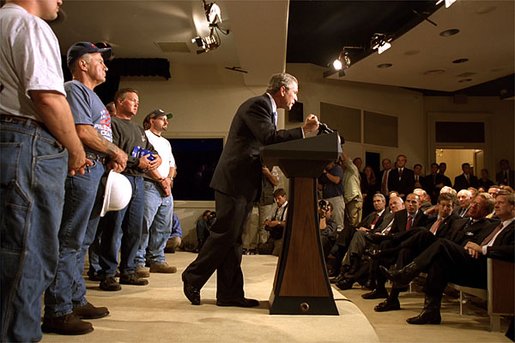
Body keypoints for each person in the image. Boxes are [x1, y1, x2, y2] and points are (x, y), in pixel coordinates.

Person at [182, 73, 319, 307]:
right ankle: (192, 276)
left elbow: (262, 145)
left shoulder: (268, 108)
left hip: (242, 183)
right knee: (224, 235)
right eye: (295, 92)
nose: (296, 98)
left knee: (234, 240)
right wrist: (303, 132)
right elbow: (268, 137)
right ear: (283, 90)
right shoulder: (258, 104)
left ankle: (229, 294)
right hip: (233, 181)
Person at [0, 1, 88, 341]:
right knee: (27, 258)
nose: (61, 0)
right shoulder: (30, 25)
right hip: (27, 143)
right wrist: (75, 150)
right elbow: (48, 97)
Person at [42, 41, 129, 335]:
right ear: (82, 63)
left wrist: (108, 157)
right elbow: (82, 131)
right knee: (69, 239)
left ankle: (76, 298)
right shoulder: (74, 89)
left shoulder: (93, 97)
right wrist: (115, 151)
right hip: (80, 171)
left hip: (94, 172)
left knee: (83, 239)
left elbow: (94, 134)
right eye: (99, 61)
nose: (105, 66)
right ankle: (58, 310)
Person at [383, 191, 513, 325]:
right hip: (469, 261)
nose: (497, 206)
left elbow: (510, 250)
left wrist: (483, 249)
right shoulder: (495, 226)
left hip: (489, 271)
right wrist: (473, 246)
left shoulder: (504, 226)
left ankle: (405, 272)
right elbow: (473, 242)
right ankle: (431, 311)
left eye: (501, 203)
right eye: (496, 203)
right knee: (438, 261)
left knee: (441, 243)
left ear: (513, 207)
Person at [97, 88, 161, 291]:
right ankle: (107, 273)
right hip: (119, 179)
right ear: (120, 101)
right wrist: (136, 161)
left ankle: (129, 270)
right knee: (113, 227)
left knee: (135, 228)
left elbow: (151, 151)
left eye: (138, 100)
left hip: (139, 182)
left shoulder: (139, 129)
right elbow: (110, 150)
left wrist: (156, 158)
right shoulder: (112, 124)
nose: (136, 103)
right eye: (132, 100)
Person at [135, 109, 177, 274]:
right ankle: (138, 260)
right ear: (151, 120)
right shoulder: (143, 136)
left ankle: (157, 259)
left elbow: (172, 164)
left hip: (165, 187)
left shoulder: (166, 142)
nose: (166, 122)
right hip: (150, 185)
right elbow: (147, 163)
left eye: (167, 119)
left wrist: (169, 179)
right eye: (163, 119)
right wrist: (161, 180)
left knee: (163, 225)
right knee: (144, 224)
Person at [263, 188, 289, 257]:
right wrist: (268, 222)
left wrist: (278, 223)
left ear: (284, 197)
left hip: (282, 237)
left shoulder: (289, 208)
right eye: (276, 199)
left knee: (275, 254)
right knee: (263, 251)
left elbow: (289, 223)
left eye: (279, 198)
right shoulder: (275, 208)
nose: (277, 201)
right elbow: (267, 219)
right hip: (273, 236)